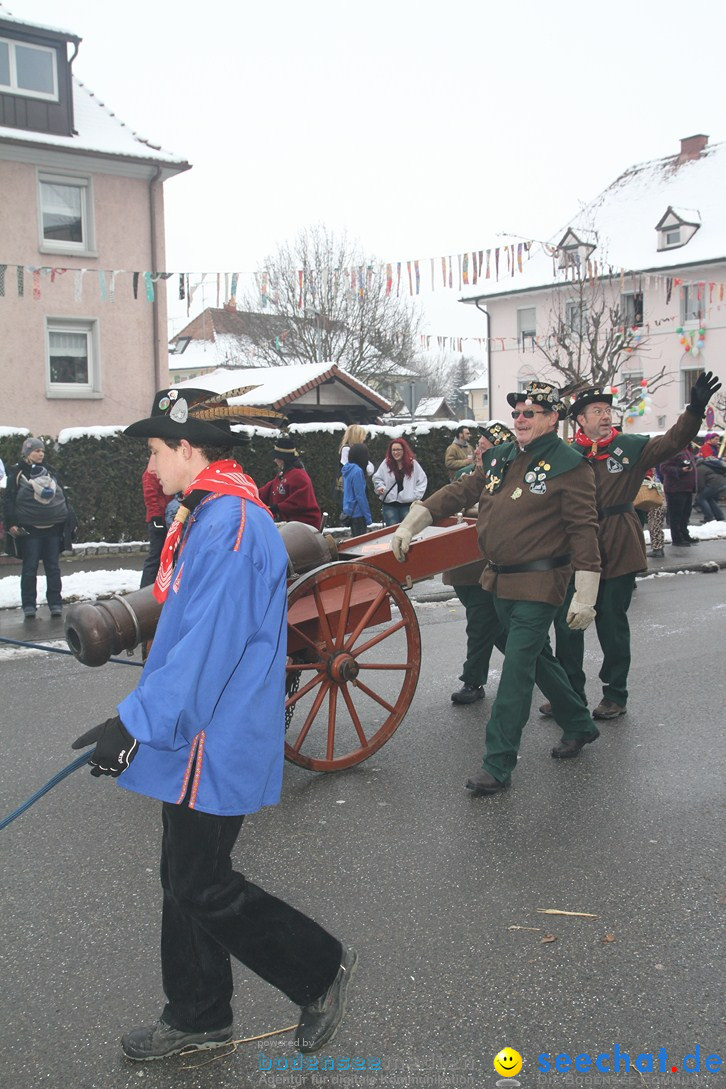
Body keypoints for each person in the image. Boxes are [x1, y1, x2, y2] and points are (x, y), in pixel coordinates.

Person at [71, 387, 355, 1061]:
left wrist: (134, 723)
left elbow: (203, 647)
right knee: (183, 873)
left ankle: (318, 969)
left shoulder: (227, 521)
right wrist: (134, 719)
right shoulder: (210, 513)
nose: (150, 466)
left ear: (188, 449)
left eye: (155, 450)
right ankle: (199, 1012)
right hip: (198, 731)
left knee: (200, 880)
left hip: (211, 736)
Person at [392, 381, 602, 797]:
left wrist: (586, 592)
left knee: (515, 674)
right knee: (538, 660)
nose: (520, 420)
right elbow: (461, 492)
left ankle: (498, 763)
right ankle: (578, 722)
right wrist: (414, 521)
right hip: (498, 580)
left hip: (540, 584)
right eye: (517, 413)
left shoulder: (570, 465)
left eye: (530, 413)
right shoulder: (503, 456)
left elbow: (584, 531)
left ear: (551, 418)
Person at [542, 372, 720, 723]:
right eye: (596, 410)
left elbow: (672, 441)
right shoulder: (566, 454)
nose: (605, 416)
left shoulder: (630, 448)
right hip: (575, 548)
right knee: (567, 624)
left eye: (607, 410)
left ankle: (615, 694)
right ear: (580, 418)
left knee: (611, 623)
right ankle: (569, 693)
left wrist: (695, 410)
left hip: (618, 543)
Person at [443, 422, 516, 705]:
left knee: (480, 622)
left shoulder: (509, 476)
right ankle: (534, 665)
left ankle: (472, 681)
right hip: (460, 563)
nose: (477, 453)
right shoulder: (465, 474)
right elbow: (450, 501)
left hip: (486, 563)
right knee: (494, 626)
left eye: (484, 449)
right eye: (477, 448)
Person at [3, 436, 71, 619]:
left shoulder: (50, 471)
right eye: (36, 450)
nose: (40, 454)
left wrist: (68, 521)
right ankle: (29, 606)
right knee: (29, 568)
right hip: (29, 530)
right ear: (27, 453)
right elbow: (8, 500)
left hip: (52, 529)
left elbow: (62, 496)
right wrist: (12, 524)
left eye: (42, 451)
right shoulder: (16, 474)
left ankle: (55, 603)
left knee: (53, 568)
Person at [258, 436, 322, 529]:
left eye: (277, 457)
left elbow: (299, 502)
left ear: (283, 459)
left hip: (304, 527)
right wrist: (252, 495)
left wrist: (277, 508)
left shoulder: (299, 476)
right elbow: (269, 488)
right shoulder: (284, 474)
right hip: (291, 525)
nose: (275, 460)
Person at [372, 438, 427, 527]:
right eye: (393, 450)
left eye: (398, 449)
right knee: (391, 532)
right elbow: (377, 478)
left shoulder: (413, 464)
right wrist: (380, 487)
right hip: (389, 504)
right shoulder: (386, 464)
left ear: (404, 450)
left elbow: (422, 481)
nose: (395, 452)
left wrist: (415, 496)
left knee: (406, 531)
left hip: (407, 505)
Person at [139, 460, 171, 588]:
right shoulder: (152, 473)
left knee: (158, 556)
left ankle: (151, 587)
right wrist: (156, 517)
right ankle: (146, 588)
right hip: (159, 519)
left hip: (162, 518)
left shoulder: (155, 472)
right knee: (156, 557)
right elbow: (150, 497)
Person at [660, 445, 699, 546]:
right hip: (676, 489)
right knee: (676, 515)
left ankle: (684, 535)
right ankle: (677, 539)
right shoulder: (673, 450)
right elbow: (664, 468)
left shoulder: (686, 450)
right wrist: (681, 470)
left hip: (687, 489)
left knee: (685, 515)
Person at [342, 442, 372, 537]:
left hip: (349, 511)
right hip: (358, 513)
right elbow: (360, 496)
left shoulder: (347, 469)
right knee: (361, 542)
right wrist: (368, 517)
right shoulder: (358, 471)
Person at [695, 454, 726, 522]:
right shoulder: (707, 464)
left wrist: (698, 491)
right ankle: (719, 516)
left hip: (714, 484)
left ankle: (709, 517)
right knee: (709, 498)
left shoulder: (699, 468)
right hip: (722, 483)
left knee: (700, 498)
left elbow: (700, 483)